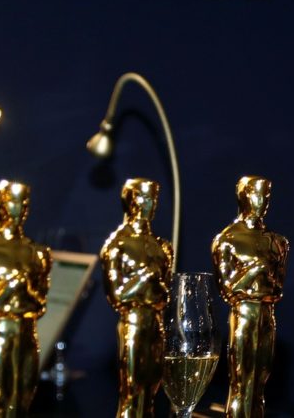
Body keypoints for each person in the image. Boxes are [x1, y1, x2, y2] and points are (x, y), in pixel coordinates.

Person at [0, 180, 52, 417]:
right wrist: (12, 286)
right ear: (0, 204)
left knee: (24, 398)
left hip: (28, 331)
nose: (21, 207)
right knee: (3, 402)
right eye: (14, 201)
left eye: (25, 202)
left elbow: (41, 303)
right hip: (3, 331)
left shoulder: (37, 253)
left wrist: (26, 290)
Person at [212, 176, 289, 418]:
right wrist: (256, 270)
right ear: (243, 196)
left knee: (260, 383)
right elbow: (227, 287)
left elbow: (278, 286)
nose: (262, 200)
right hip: (244, 313)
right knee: (242, 383)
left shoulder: (276, 241)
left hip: (267, 313)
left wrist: (266, 280)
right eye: (257, 193)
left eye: (266, 195)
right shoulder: (228, 239)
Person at [100, 178, 173, 418]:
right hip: (133, 322)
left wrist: (155, 286)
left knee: (151, 389)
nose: (149, 203)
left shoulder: (162, 247)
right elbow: (117, 294)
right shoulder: (118, 244)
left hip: (156, 323)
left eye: (153, 197)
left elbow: (165, 293)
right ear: (130, 201)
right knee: (132, 390)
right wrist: (145, 277)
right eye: (143, 197)